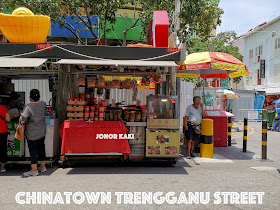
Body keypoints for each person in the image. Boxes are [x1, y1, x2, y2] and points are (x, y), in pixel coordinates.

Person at [20, 89, 47, 177]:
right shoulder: (43, 104)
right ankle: (42, 167)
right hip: (42, 131)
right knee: (41, 148)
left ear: (30, 96)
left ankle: (34, 170)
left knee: (33, 151)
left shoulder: (29, 106)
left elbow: (23, 118)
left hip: (32, 132)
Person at [0, 104, 11, 173]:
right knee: (2, 148)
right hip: (2, 130)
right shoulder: (3, 107)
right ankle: (2, 167)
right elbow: (8, 119)